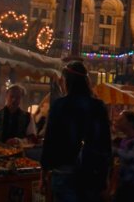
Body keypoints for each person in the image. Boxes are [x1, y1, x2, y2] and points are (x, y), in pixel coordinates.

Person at [40, 61, 112, 202]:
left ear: (67, 82)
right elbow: (105, 145)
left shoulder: (59, 105)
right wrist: (105, 178)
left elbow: (49, 141)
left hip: (63, 172)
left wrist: (43, 173)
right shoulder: (98, 107)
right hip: (91, 174)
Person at [111, 110, 134, 202]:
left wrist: (114, 150)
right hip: (125, 184)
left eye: (122, 119)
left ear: (130, 123)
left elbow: (129, 156)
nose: (118, 121)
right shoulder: (124, 140)